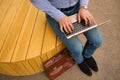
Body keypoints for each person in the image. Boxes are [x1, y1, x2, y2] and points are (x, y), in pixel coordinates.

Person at [30, 0, 103, 76]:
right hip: (56, 12)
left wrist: (83, 7)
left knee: (97, 41)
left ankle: (87, 55)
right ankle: (80, 61)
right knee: (76, 48)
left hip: (78, 7)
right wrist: (59, 16)